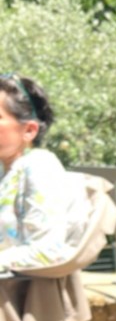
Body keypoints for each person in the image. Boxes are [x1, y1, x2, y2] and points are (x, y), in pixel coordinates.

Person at [0, 74, 88, 271]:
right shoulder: (5, 170)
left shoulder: (40, 167)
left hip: (20, 288)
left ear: (29, 130)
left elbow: (48, 251)